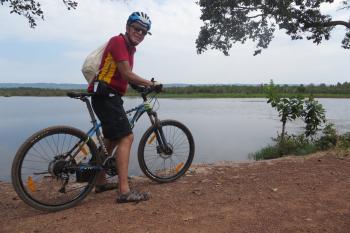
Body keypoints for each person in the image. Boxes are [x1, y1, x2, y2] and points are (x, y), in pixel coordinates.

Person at [87, 11, 160, 203]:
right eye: (137, 29)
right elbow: (127, 74)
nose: (140, 34)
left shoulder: (130, 49)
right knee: (126, 136)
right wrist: (151, 84)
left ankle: (100, 182)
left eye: (144, 32)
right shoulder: (118, 42)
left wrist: (139, 85)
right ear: (128, 27)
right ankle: (124, 191)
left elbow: (123, 75)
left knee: (111, 140)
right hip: (106, 96)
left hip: (110, 96)